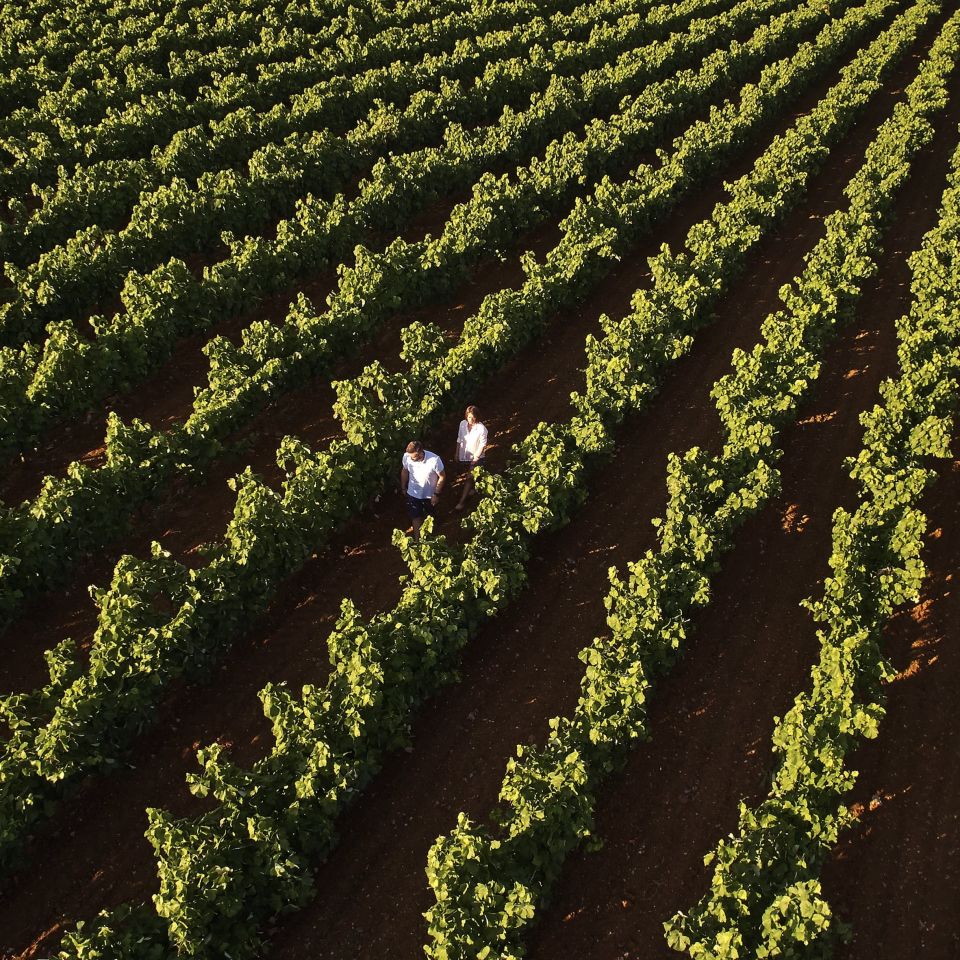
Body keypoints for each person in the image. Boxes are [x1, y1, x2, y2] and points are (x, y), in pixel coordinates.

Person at [400, 440, 445, 539]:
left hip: (429, 495)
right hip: (413, 493)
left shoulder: (434, 460)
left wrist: (436, 494)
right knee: (416, 517)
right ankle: (418, 541)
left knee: (430, 516)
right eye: (410, 456)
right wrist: (403, 487)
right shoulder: (407, 457)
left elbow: (442, 477)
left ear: (420, 452)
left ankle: (432, 538)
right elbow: (404, 471)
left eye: (414, 457)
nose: (411, 459)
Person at [453, 405, 488, 510]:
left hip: (476, 458)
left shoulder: (482, 429)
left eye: (473, 417)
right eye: (469, 417)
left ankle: (462, 502)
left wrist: (475, 459)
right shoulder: (462, 424)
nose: (471, 420)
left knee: (469, 478)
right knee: (470, 477)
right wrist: (457, 453)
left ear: (477, 417)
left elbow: (482, 445)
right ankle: (475, 487)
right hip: (464, 457)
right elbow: (459, 439)